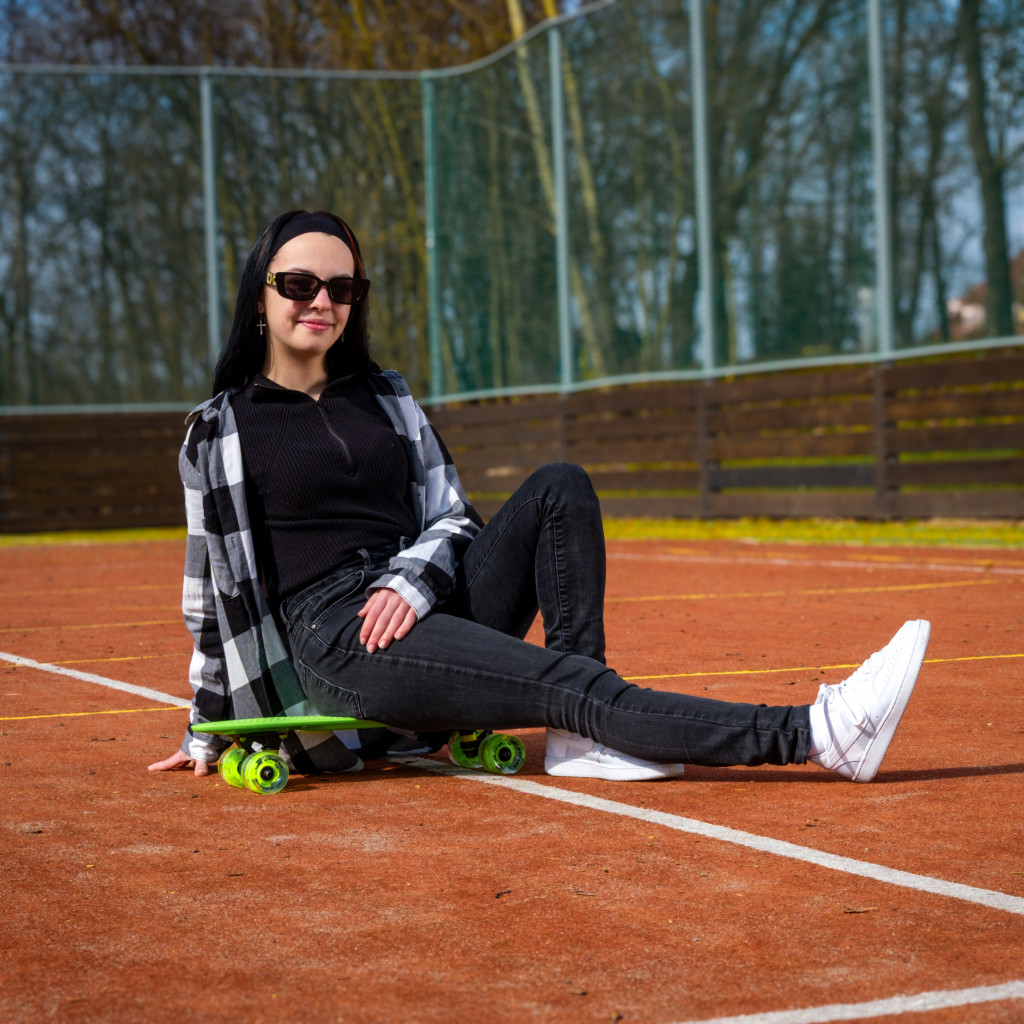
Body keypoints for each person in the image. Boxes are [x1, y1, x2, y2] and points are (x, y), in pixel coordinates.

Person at [148, 209, 931, 785]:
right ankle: (816, 733)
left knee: (560, 485)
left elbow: (453, 516)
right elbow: (209, 595)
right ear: (261, 296)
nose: (321, 300)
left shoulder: (387, 396)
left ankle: (583, 740)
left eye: (342, 286)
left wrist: (409, 581)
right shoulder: (220, 430)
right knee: (564, 685)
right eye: (299, 284)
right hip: (341, 637)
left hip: (421, 598)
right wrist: (209, 726)